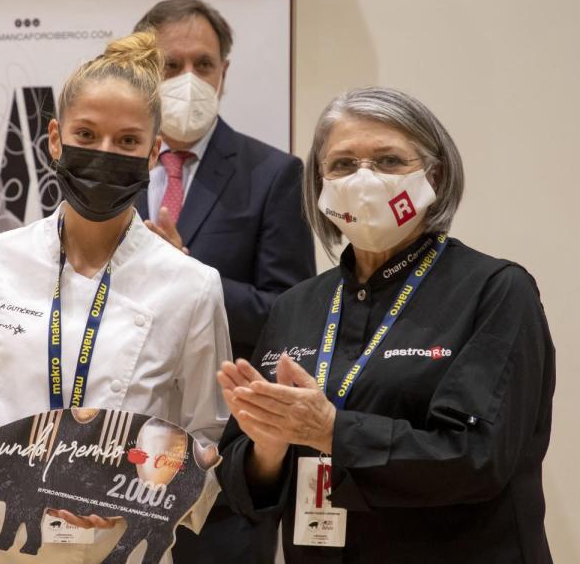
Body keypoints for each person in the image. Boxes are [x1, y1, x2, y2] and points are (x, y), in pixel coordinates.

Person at [0, 32, 231, 564]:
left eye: (128, 142)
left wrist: (139, 492)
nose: (104, 154)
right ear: (55, 139)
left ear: (154, 152)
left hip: (113, 549)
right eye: (86, 133)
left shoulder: (191, 284)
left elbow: (206, 436)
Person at [215, 87, 555, 563]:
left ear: (433, 175)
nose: (364, 180)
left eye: (389, 161)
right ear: (319, 183)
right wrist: (266, 447)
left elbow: (480, 457)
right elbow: (243, 489)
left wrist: (332, 431)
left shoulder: (496, 290)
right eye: (342, 165)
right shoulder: (297, 305)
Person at [134, 0, 317, 561]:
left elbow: (288, 314)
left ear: (225, 72)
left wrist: (186, 270)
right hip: (115, 443)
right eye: (170, 65)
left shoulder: (272, 174)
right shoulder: (110, 167)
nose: (189, 79)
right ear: (142, 71)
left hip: (224, 454)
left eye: (204, 65)